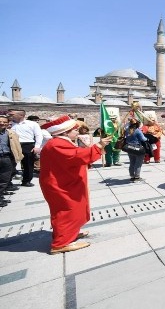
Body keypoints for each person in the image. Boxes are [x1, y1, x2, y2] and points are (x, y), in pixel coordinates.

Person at [39, 115, 112, 254]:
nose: (78, 132)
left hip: (66, 183)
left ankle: (69, 234)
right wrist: (99, 146)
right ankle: (60, 243)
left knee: (73, 210)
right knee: (67, 211)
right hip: (61, 186)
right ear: (65, 132)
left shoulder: (61, 142)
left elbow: (75, 158)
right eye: (75, 130)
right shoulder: (56, 144)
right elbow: (77, 156)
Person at [8, 109, 43, 187]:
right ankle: (8, 183)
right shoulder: (8, 124)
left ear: (21, 115)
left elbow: (38, 135)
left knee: (28, 164)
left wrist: (37, 147)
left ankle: (26, 181)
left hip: (27, 145)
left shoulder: (32, 124)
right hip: (12, 144)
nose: (9, 116)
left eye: (12, 114)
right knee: (10, 164)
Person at [0, 115, 23, 207]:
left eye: (4, 122)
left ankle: (1, 196)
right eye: (0, 121)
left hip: (7, 158)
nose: (2, 123)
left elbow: (16, 145)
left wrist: (18, 156)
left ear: (8, 123)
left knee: (4, 179)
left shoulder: (10, 133)